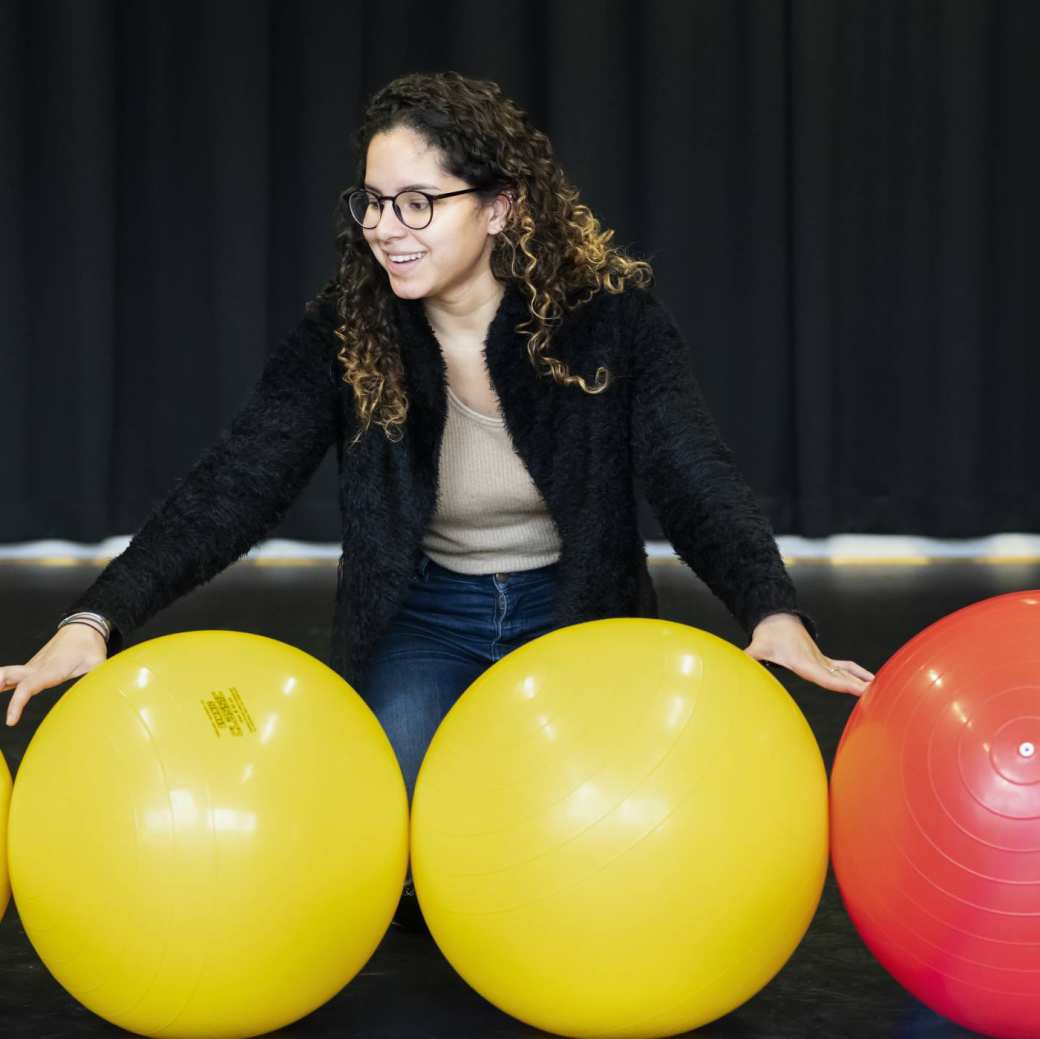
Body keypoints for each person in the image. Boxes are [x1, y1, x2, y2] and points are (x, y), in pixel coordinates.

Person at [1, 71, 873, 931]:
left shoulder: (611, 320)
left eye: (418, 201)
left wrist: (771, 607)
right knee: (405, 854)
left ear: (499, 206)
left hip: (576, 615)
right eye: (374, 203)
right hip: (427, 618)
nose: (387, 228)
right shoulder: (350, 330)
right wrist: (95, 620)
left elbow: (692, 468)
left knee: (588, 853)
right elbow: (236, 481)